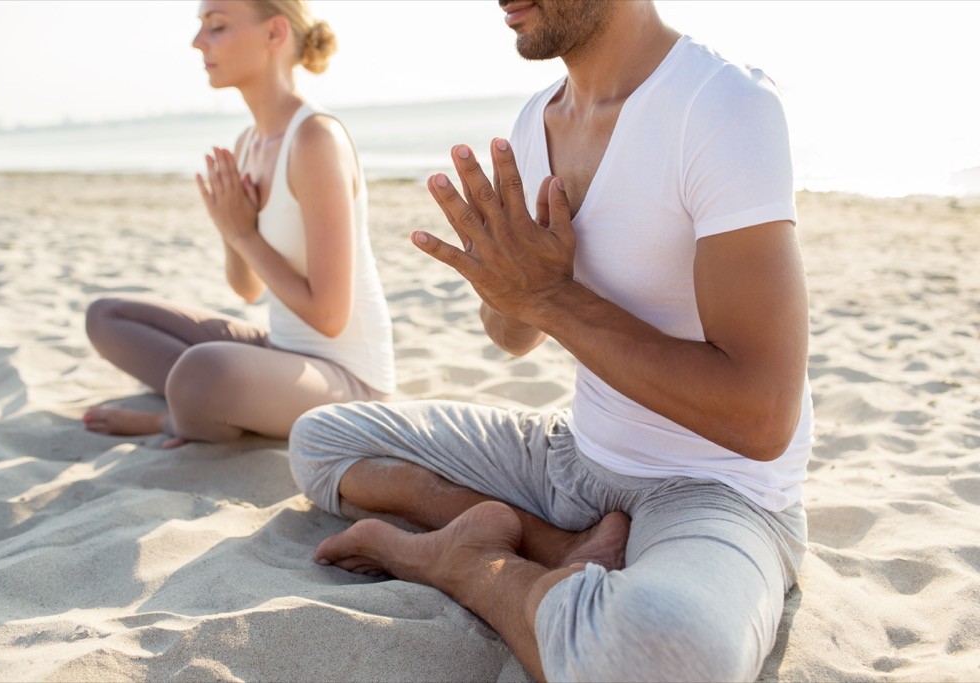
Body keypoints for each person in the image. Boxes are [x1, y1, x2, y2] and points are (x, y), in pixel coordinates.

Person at [290, 0, 811, 680]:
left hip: (714, 488)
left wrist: (551, 296)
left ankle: (466, 565)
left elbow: (762, 416)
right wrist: (512, 290)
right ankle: (555, 544)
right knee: (322, 442)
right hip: (573, 458)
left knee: (671, 656)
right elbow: (512, 336)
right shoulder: (536, 122)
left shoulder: (720, 106)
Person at [84, 0, 394, 448]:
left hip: (350, 381)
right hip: (282, 354)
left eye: (217, 26)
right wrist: (233, 233)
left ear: (274, 34)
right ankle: (203, 401)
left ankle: (168, 420)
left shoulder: (315, 140)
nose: (197, 42)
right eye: (201, 28)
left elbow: (329, 316)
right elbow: (247, 289)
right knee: (107, 316)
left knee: (203, 370)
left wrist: (243, 233)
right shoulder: (248, 143)